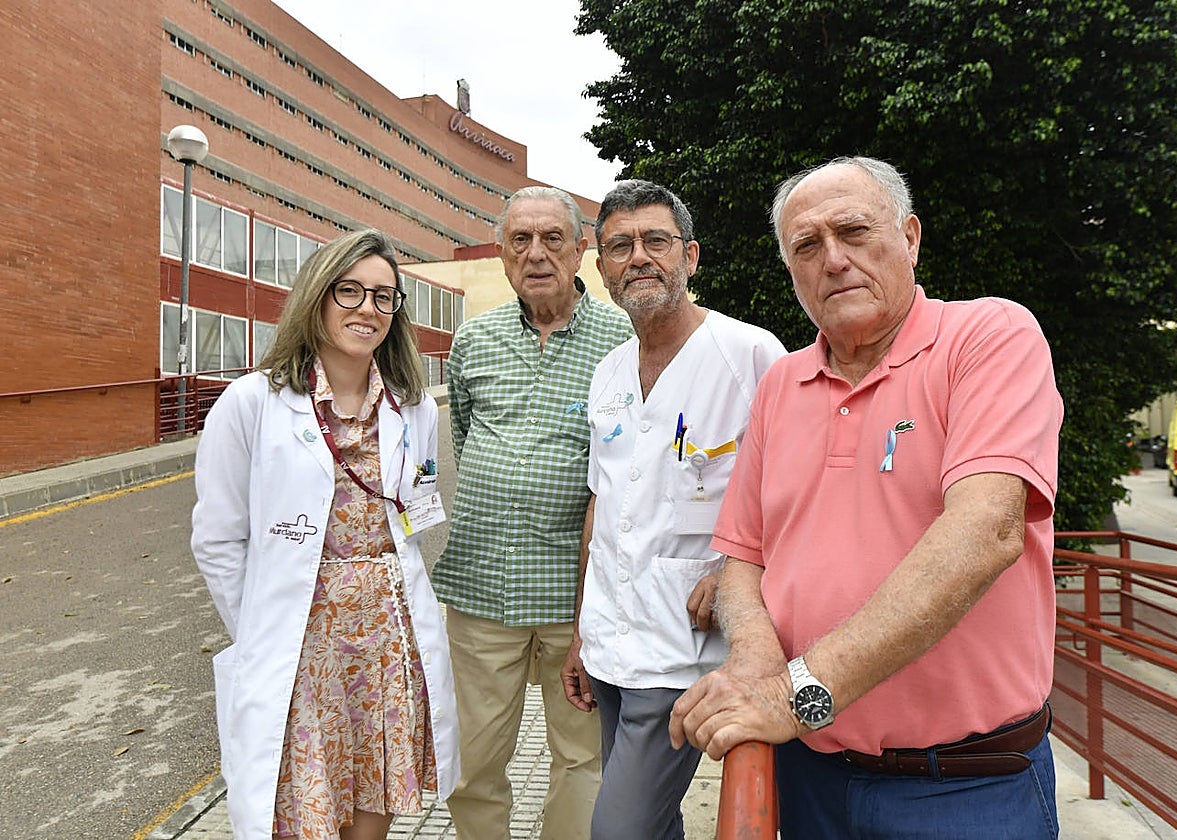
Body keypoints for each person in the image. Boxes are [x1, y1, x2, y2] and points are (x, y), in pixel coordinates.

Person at [669, 157, 1065, 839]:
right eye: (807, 245)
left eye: (854, 231)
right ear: (791, 270)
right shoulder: (781, 385)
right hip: (811, 776)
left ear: (909, 238)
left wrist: (796, 695)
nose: (834, 260)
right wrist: (759, 668)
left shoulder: (989, 337)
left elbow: (986, 532)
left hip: (966, 788)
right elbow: (742, 560)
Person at [192, 228, 459, 840]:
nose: (369, 308)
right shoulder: (252, 402)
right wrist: (261, 628)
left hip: (389, 639)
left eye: (384, 297)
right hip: (299, 646)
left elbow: (413, 515)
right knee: (303, 812)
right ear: (317, 296)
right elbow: (217, 538)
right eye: (351, 291)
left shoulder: (412, 406)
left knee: (376, 797)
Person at [560, 180, 786, 839]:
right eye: (619, 247)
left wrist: (737, 567)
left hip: (686, 651)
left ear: (690, 256)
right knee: (651, 827)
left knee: (619, 831)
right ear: (600, 268)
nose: (639, 258)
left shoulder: (749, 355)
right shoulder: (608, 374)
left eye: (655, 241)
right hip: (608, 645)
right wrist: (580, 632)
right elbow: (601, 510)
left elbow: (796, 489)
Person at [432, 186, 632, 839]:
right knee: (472, 762)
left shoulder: (625, 341)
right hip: (481, 591)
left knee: (582, 760)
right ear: (501, 253)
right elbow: (463, 439)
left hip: (578, 601)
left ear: (582, 250)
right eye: (521, 240)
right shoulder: (474, 341)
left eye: (553, 238)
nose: (536, 253)